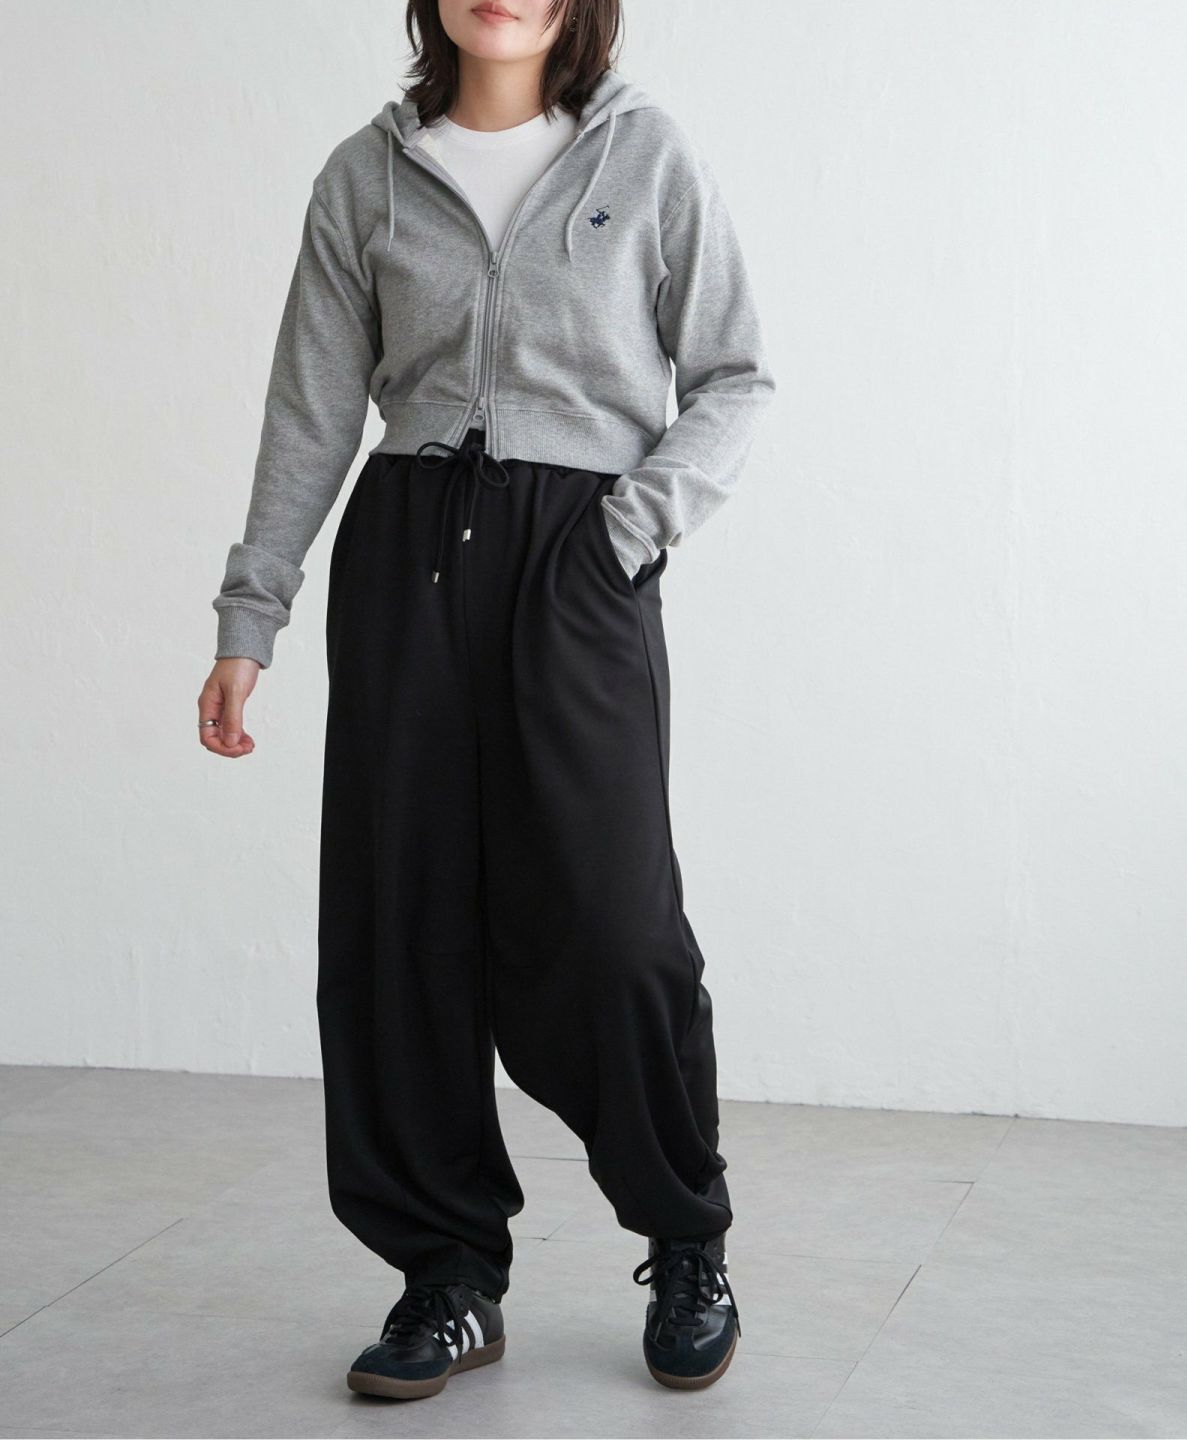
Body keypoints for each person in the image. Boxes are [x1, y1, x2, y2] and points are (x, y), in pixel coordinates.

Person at [198, 0, 774, 1402]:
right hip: (408, 556)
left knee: (614, 923)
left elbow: (734, 376)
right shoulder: (366, 174)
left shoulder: (645, 156)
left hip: (580, 558)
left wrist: (626, 532)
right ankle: (446, 1271)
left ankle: (685, 1238)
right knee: (403, 925)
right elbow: (311, 406)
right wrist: (252, 610)